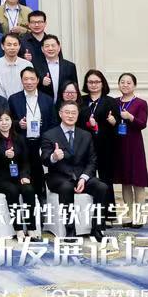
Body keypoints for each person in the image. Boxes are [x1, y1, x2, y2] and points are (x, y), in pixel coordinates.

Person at [41, 100, 108, 241]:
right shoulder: (49, 135)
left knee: (101, 187)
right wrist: (54, 157)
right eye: (67, 112)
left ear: (78, 115)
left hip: (81, 176)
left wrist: (83, 178)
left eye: (74, 113)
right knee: (67, 187)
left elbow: (92, 160)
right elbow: (45, 159)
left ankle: (97, 229)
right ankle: (70, 229)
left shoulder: (86, 135)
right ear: (60, 114)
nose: (70, 116)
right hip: (58, 177)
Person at [0, 109, 37, 240]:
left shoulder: (19, 138)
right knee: (12, 190)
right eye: (0, 120)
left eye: (7, 119)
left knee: (29, 189)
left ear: (11, 121)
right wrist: (5, 155)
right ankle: (18, 229)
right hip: (0, 178)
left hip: (18, 177)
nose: (4, 123)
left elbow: (25, 161)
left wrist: (25, 176)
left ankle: (31, 228)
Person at [8, 67, 55, 208]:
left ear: (38, 80)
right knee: (24, 172)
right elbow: (7, 121)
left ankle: (41, 199)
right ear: (21, 81)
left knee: (39, 172)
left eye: (32, 79)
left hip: (41, 142)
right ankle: (27, 202)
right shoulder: (14, 99)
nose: (29, 82)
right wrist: (18, 124)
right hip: (22, 142)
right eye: (26, 79)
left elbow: (53, 123)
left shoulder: (47, 99)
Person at [80, 70, 120, 224]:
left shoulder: (110, 102)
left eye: (97, 82)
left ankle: (109, 215)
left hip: (105, 145)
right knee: (85, 178)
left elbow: (117, 125)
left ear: (102, 84)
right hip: (85, 146)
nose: (94, 85)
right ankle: (88, 214)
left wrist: (113, 122)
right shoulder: (81, 101)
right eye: (90, 82)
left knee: (105, 180)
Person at [114, 72, 148, 227]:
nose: (125, 85)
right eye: (122, 82)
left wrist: (130, 117)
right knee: (125, 181)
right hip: (119, 145)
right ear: (118, 84)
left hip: (134, 145)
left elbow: (142, 124)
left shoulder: (141, 103)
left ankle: (139, 216)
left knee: (138, 181)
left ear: (134, 85)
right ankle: (129, 215)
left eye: (129, 82)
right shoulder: (114, 102)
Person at [35, 35, 78, 100]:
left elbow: (75, 88)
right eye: (47, 46)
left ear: (59, 48)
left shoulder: (70, 66)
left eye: (53, 45)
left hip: (64, 103)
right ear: (42, 49)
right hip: (44, 103)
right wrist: (41, 83)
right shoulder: (36, 66)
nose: (50, 48)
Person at [0, 33, 32, 99]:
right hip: (2, 102)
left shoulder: (27, 65)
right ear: (2, 46)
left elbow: (30, 85)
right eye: (9, 45)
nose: (12, 48)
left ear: (19, 46)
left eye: (15, 45)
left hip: (23, 101)